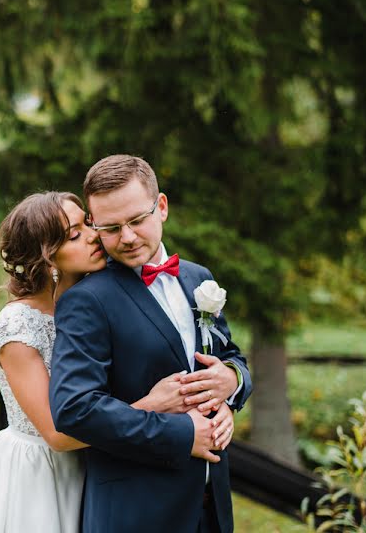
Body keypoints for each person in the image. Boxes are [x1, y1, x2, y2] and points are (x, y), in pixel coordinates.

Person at [0, 191, 236, 533]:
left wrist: (220, 394)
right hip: (40, 473)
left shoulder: (103, 296)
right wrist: (153, 405)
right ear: (47, 257)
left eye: (87, 224)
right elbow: (58, 433)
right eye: (75, 235)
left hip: (100, 466)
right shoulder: (19, 325)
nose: (94, 236)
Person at [49, 155, 252, 533]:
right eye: (110, 227)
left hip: (212, 506)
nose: (126, 238)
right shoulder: (88, 300)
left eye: (137, 221)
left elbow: (230, 356)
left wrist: (231, 383)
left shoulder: (198, 277)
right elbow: (75, 409)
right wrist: (183, 434)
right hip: (136, 511)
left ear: (161, 207)